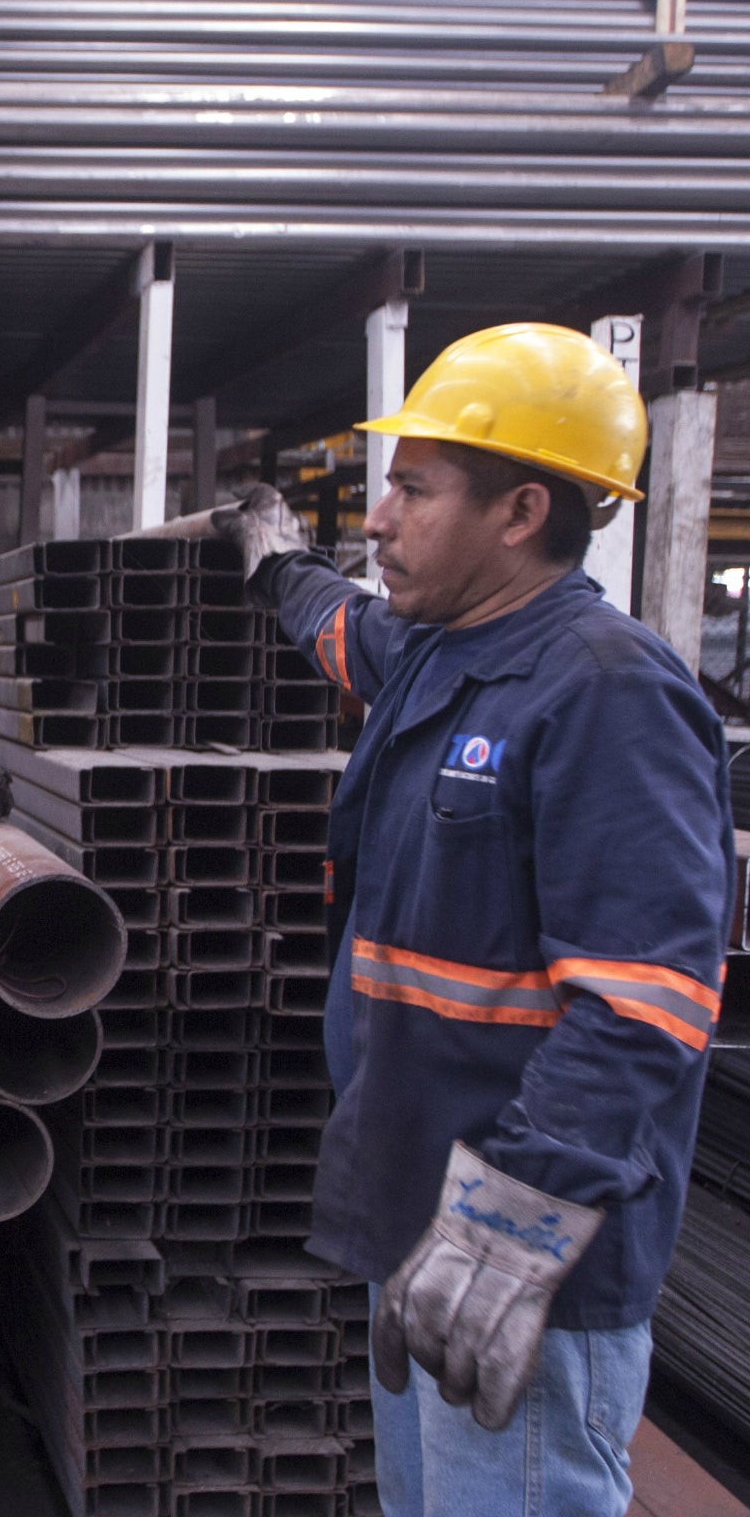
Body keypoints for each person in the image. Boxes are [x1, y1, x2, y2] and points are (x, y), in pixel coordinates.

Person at [217, 322, 735, 1517]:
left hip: (520, 1255)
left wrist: (511, 1223)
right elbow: (343, 632)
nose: (379, 521)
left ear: (518, 511)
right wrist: (270, 562)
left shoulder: (604, 693)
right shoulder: (447, 653)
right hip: (421, 1212)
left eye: (410, 488)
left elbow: (644, 1005)